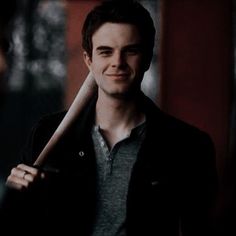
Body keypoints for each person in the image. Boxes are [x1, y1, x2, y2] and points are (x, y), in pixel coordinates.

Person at [1, 0, 218, 235]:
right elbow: (15, 224)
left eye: (131, 51)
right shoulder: (46, 135)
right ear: (88, 60)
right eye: (106, 51)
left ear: (146, 59)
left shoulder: (189, 147)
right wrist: (17, 196)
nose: (118, 63)